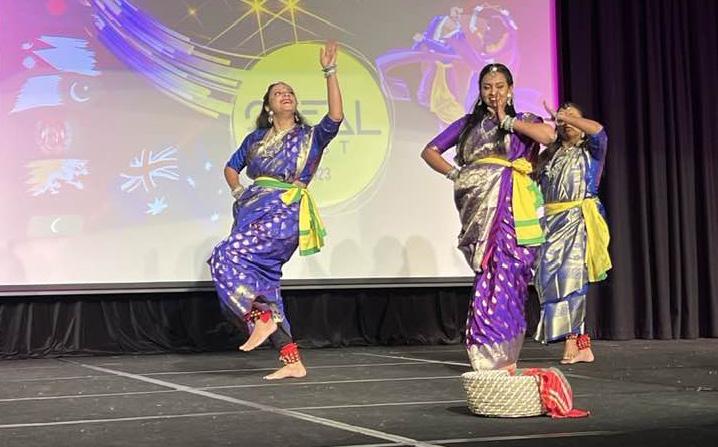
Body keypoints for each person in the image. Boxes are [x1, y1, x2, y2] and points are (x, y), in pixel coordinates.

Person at [208, 41, 343, 380]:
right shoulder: (255, 140)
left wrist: (330, 71)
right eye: (278, 93)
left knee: (224, 255)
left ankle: (259, 318)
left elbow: (336, 117)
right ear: (268, 106)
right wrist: (238, 191)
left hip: (285, 211)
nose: (285, 95)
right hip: (251, 212)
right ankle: (291, 360)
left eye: (289, 92)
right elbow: (231, 167)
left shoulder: (311, 136)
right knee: (266, 288)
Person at [420, 63, 554, 370]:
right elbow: (430, 151)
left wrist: (508, 121)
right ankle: (486, 347)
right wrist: (458, 175)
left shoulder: (524, 120)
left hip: (515, 204)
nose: (493, 92)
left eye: (500, 86)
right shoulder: (469, 124)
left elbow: (547, 136)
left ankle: (505, 349)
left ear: (510, 89)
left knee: (512, 272)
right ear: (480, 92)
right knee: (490, 270)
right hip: (480, 203)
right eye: (487, 87)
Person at [533, 101, 611, 364]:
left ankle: (572, 341)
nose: (565, 122)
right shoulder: (549, 156)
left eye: (571, 118)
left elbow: (599, 131)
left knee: (572, 280)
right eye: (562, 118)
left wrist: (567, 117)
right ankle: (583, 345)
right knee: (546, 281)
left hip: (577, 219)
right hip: (549, 223)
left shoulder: (592, 152)